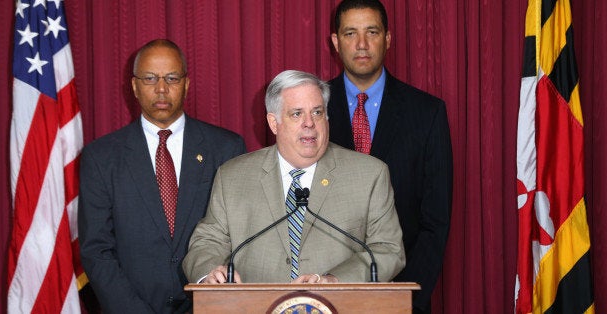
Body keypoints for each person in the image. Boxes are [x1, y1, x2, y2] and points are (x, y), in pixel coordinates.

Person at [183, 70, 405, 284]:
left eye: (317, 112)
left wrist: (335, 281)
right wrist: (210, 272)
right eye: (297, 114)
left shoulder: (370, 175)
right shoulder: (232, 177)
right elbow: (206, 243)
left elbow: (388, 250)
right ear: (273, 123)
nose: (309, 123)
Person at [78, 39, 246, 313]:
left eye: (171, 78)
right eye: (149, 78)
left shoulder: (226, 148)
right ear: (133, 86)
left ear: (187, 84)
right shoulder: (101, 157)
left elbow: (238, 235)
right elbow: (97, 251)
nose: (161, 89)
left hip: (208, 306)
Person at [328, 0, 453, 313]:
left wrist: (407, 296)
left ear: (387, 39)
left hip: (401, 292)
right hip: (325, 291)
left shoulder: (427, 113)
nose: (361, 44)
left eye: (372, 32)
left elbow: (435, 221)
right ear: (335, 41)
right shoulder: (311, 111)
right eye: (350, 33)